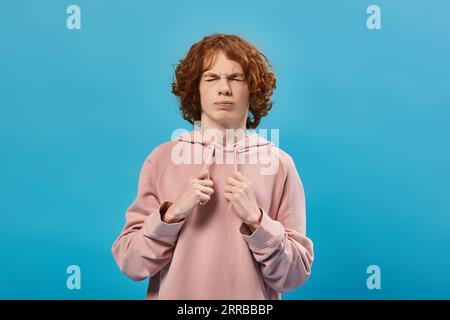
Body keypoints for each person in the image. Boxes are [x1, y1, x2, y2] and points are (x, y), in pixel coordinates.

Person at [111, 33, 314, 300]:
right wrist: (170, 216)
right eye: (211, 78)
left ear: (252, 89)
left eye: (235, 78)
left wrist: (257, 221)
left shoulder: (279, 165)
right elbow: (131, 263)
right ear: (195, 88)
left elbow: (294, 275)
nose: (224, 88)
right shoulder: (162, 159)